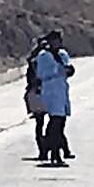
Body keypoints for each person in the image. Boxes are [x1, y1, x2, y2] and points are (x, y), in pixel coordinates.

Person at [35, 29, 75, 165]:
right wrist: (57, 70)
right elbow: (41, 74)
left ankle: (54, 151)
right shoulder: (44, 56)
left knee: (60, 124)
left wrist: (69, 70)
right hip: (50, 93)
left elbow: (68, 68)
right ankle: (53, 152)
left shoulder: (62, 54)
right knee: (55, 124)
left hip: (62, 92)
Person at [25, 37, 50, 160]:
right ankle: (45, 150)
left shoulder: (35, 59)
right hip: (42, 93)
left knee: (42, 124)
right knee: (49, 123)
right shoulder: (43, 59)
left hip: (39, 93)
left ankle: (45, 150)